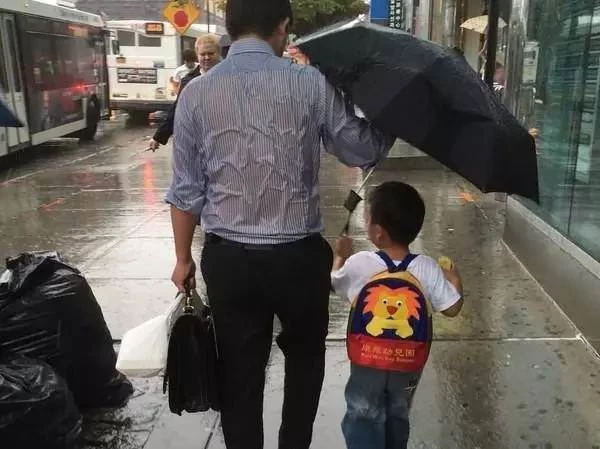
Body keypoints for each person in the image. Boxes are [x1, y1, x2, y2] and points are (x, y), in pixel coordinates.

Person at [166, 0, 395, 447]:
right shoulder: (310, 85)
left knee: (238, 373)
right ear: (283, 27)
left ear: (231, 28)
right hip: (298, 259)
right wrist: (377, 112)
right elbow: (361, 150)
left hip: (229, 260)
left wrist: (180, 259)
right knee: (305, 363)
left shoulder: (195, 93)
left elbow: (186, 190)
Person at [331, 181, 464, 449]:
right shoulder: (426, 268)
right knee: (398, 413)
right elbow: (452, 307)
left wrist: (340, 257)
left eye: (367, 218)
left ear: (378, 233)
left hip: (367, 358)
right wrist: (454, 279)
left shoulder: (361, 264)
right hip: (408, 360)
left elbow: (335, 283)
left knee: (363, 412)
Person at [146, 34, 221, 152]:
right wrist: (158, 137)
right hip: (196, 142)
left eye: (211, 53)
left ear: (218, 53)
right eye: (202, 54)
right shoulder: (188, 81)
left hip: (223, 142)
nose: (206, 57)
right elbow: (177, 110)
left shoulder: (230, 78)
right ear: (197, 55)